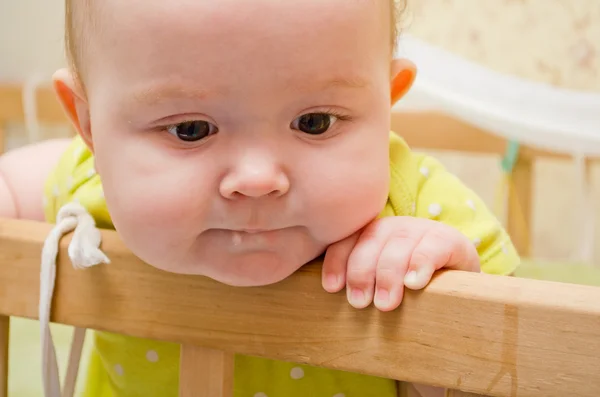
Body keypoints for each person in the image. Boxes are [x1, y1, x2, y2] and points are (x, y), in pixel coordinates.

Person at [0, 0, 520, 395]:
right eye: (190, 129)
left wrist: (452, 311)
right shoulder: (93, 183)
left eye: (314, 122)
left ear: (389, 99)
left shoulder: (423, 214)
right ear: (90, 126)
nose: (257, 178)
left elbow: (524, 362)